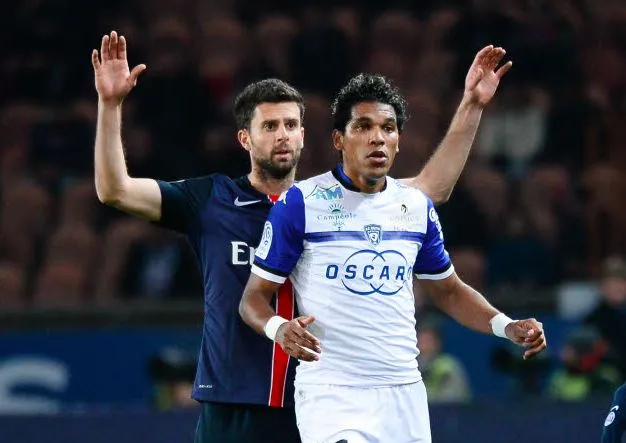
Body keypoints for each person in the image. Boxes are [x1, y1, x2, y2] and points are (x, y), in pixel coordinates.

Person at [92, 29, 509, 443]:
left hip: (313, 401)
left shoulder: (326, 203)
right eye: (270, 125)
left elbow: (431, 188)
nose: (282, 135)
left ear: (304, 135)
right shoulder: (210, 200)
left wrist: (471, 105)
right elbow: (115, 190)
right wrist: (110, 105)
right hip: (233, 399)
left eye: (291, 124)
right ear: (245, 138)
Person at [239, 73, 547, 443]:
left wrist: (506, 326)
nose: (377, 138)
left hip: (404, 393)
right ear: (338, 139)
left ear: (398, 141)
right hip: (332, 393)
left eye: (388, 128)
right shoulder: (301, 203)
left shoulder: (414, 207)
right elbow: (252, 299)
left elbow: (449, 291)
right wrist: (278, 328)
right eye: (363, 127)